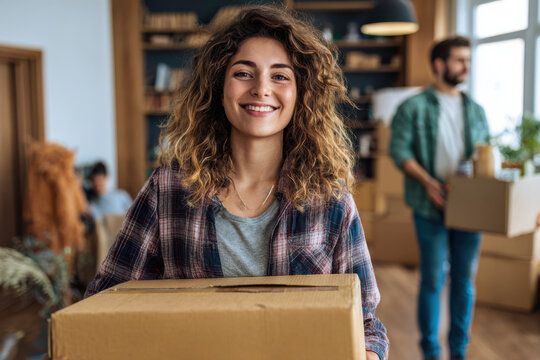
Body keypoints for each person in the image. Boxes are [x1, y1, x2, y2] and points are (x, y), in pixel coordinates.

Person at [85, 6, 388, 359]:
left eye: (280, 76)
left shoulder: (331, 199)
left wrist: (369, 355)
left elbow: (367, 322)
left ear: (301, 93)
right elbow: (106, 299)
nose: (261, 89)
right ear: (219, 85)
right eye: (244, 73)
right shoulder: (168, 189)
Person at [390, 36, 490, 360]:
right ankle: (431, 352)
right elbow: (399, 150)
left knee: (464, 279)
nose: (467, 68)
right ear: (439, 64)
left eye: (469, 61)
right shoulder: (413, 107)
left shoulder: (476, 110)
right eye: (460, 60)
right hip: (427, 205)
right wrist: (429, 182)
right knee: (433, 279)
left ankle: (459, 351)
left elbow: (485, 157)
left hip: (469, 209)